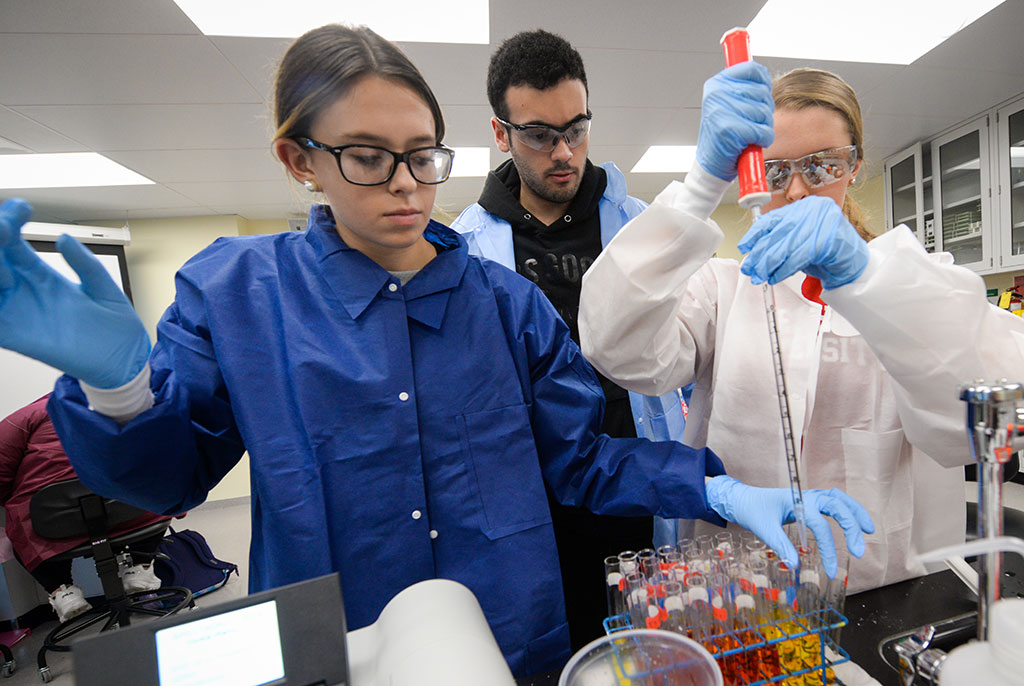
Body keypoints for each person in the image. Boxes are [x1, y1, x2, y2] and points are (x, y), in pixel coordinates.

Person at [0, 26, 872, 676]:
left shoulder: (504, 301)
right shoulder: (239, 295)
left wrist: (714, 485)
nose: (408, 187)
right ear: (299, 159)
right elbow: (171, 478)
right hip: (341, 641)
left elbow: (581, 461)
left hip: (511, 635)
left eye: (421, 157)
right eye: (369, 159)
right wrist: (117, 390)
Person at [578, 63, 1024, 593]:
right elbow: (614, 345)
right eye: (774, 170)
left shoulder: (915, 285)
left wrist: (867, 280)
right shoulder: (722, 290)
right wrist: (700, 186)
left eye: (821, 167)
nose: (795, 192)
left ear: (854, 164)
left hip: (874, 588)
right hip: (737, 590)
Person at [449, 29, 682, 649]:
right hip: (534, 492)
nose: (564, 152)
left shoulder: (639, 226)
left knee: (650, 645)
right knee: (558, 644)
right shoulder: (467, 248)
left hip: (635, 474)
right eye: (540, 134)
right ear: (500, 133)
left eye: (576, 129)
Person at [0, 395, 167, 623]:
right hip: (130, 511)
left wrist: (15, 501)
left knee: (21, 530)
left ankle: (63, 592)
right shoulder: (129, 402)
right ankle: (140, 567)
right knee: (163, 492)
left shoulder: (30, 414)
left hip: (53, 518)